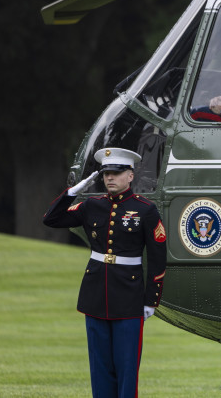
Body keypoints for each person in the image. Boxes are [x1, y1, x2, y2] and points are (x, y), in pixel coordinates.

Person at [43, 147, 167, 398]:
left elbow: (157, 259)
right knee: (100, 370)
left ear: (130, 176)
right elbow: (51, 219)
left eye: (117, 172)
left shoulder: (145, 210)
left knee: (126, 369)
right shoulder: (92, 206)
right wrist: (72, 193)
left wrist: (151, 300)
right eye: (106, 173)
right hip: (96, 295)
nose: (110, 177)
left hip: (129, 298)